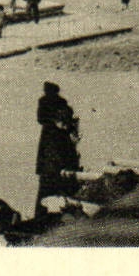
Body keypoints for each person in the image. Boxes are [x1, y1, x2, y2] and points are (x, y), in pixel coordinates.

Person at [35, 82, 81, 216]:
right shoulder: (62, 103)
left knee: (49, 177)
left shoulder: (44, 102)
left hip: (50, 144)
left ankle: (43, 213)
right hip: (60, 143)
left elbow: (41, 119)